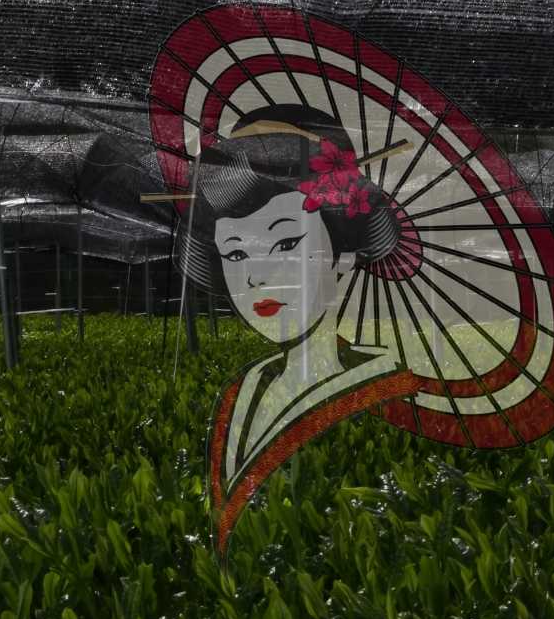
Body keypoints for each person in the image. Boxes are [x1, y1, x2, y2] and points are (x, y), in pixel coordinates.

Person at [179, 103, 422, 556]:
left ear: (344, 256)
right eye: (236, 253)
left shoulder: (388, 396)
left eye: (287, 242)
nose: (257, 277)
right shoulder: (247, 389)